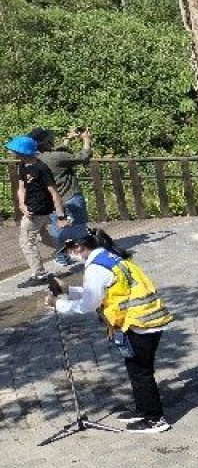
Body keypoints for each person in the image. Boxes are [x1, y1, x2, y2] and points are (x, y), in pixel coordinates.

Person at [48, 230, 174, 433]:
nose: (68, 255)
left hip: (139, 324)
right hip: (147, 320)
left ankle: (155, 420)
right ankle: (143, 409)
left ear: (78, 247)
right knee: (136, 368)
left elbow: (88, 304)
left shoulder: (96, 268)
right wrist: (68, 291)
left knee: (141, 372)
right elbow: (99, 293)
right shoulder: (109, 256)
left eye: (68, 250)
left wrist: (58, 304)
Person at [6, 135, 69, 286]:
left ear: (22, 151)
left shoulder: (41, 168)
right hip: (30, 209)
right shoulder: (23, 165)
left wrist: (61, 216)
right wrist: (22, 205)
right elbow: (21, 188)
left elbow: (54, 192)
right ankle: (70, 248)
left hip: (38, 211)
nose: (9, 152)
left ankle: (39, 275)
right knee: (43, 237)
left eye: (12, 150)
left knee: (26, 242)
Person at [30, 126, 93, 263]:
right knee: (79, 228)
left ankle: (61, 257)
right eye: (50, 138)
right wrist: (86, 140)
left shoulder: (34, 159)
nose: (52, 139)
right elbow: (83, 157)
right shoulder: (56, 157)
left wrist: (67, 140)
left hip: (51, 200)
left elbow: (57, 154)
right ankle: (87, 256)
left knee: (58, 230)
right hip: (69, 196)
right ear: (46, 142)